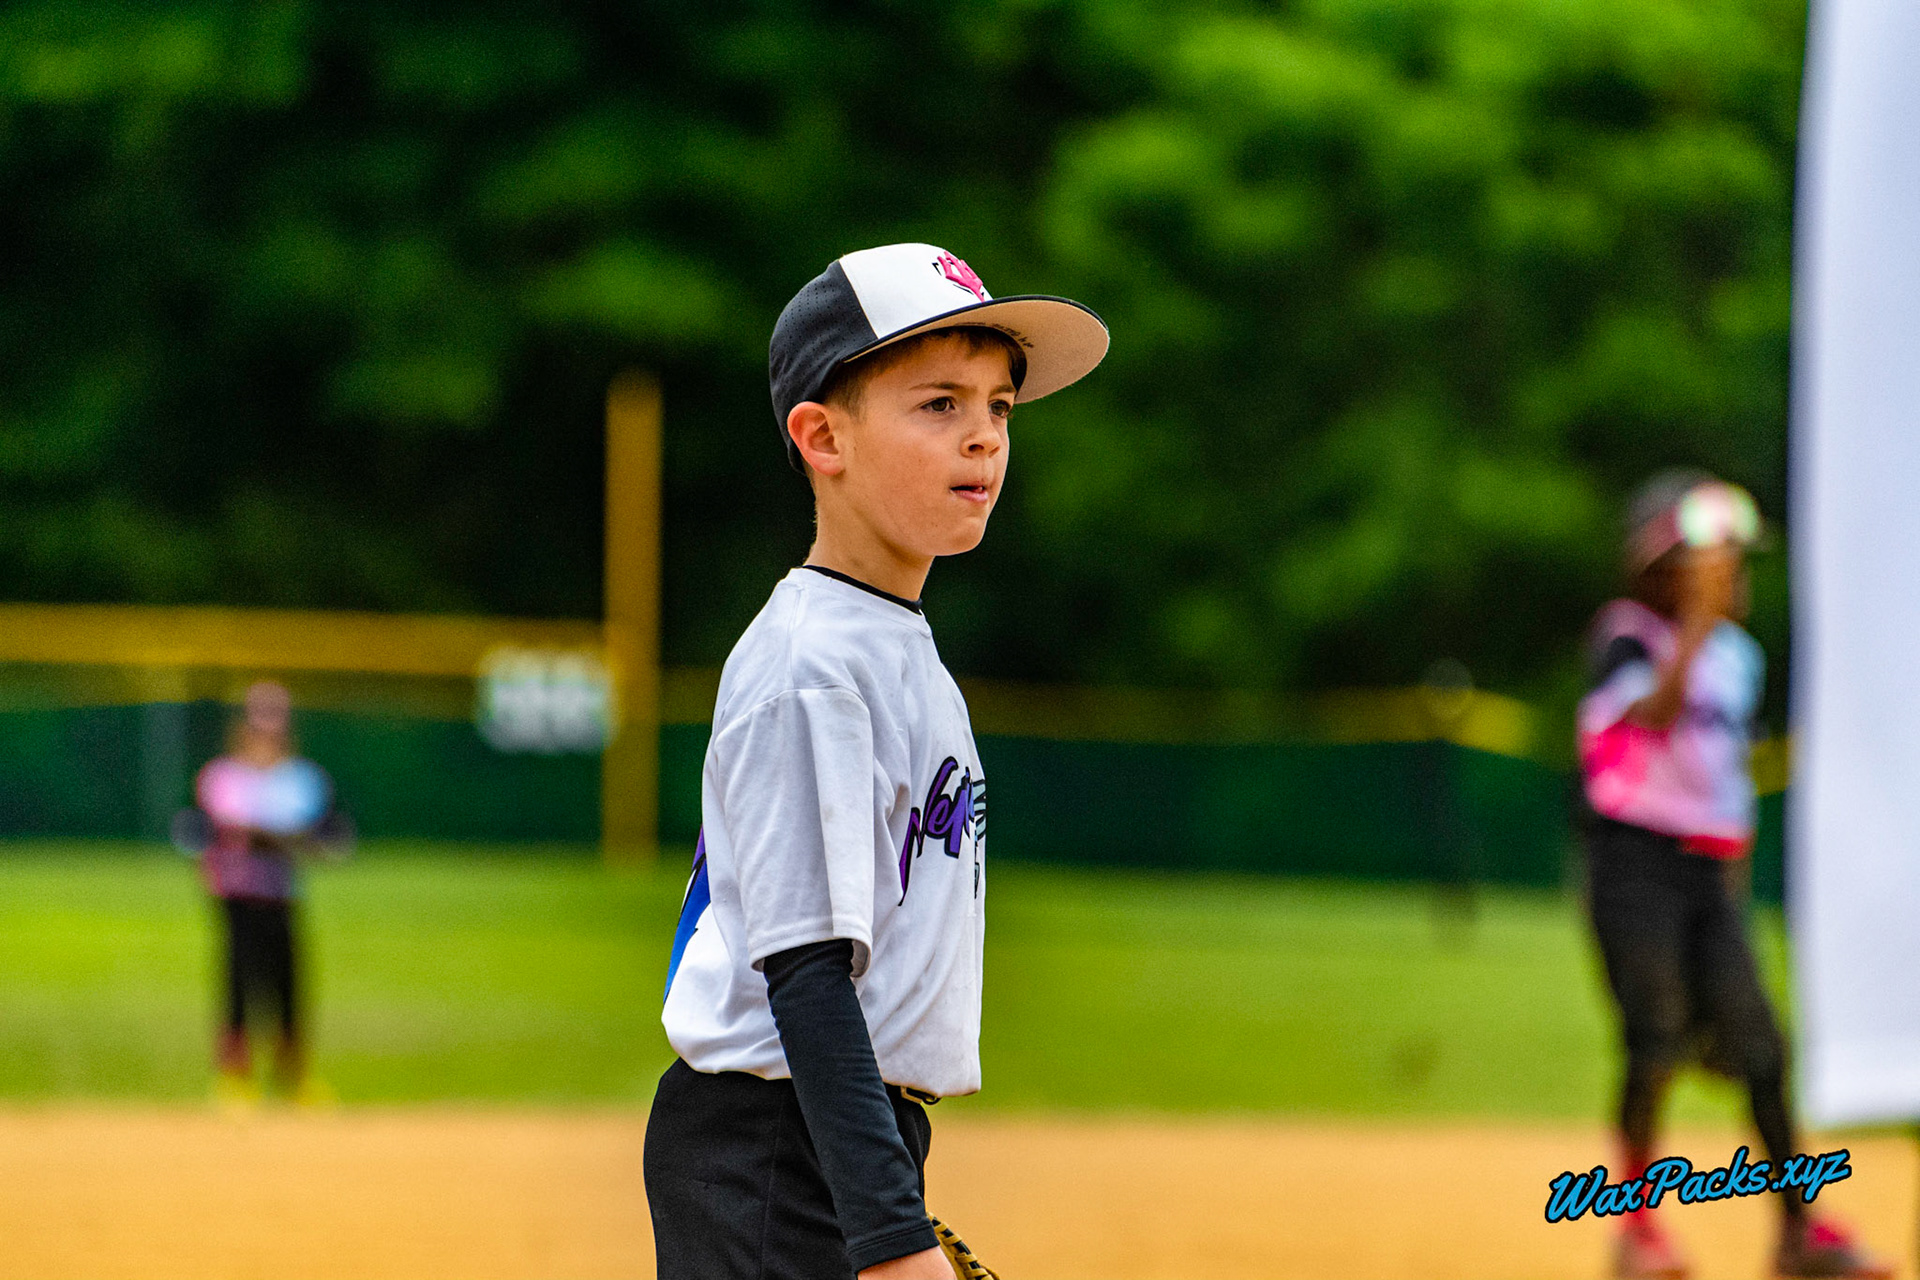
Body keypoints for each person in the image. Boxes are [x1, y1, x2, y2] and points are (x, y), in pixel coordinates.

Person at [643, 243, 1107, 1280]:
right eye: (939, 403)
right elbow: (808, 972)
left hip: (819, 1140)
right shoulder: (813, 663)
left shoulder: (889, 643)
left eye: (999, 406)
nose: (984, 435)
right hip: (770, 1150)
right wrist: (890, 1237)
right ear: (823, 437)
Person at [1578, 472, 1888, 1280]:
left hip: (1709, 874)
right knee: (1654, 1038)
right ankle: (1636, 1230)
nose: (1731, 576)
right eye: (1709, 563)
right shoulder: (1627, 638)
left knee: (1762, 1048)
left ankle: (1798, 1233)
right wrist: (1695, 622)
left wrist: (1732, 889)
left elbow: (1726, 782)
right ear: (1664, 571)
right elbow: (1652, 714)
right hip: (1634, 865)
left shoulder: (1737, 658)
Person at [193, 680, 340, 1105]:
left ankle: (292, 1077)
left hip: (282, 895)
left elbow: (292, 831)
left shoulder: (301, 777)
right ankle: (235, 1076)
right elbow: (245, 828)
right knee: (239, 983)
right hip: (236, 894)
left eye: (274, 727)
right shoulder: (224, 775)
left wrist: (267, 835)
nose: (266, 736)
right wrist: (277, 836)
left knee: (288, 987)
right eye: (259, 727)